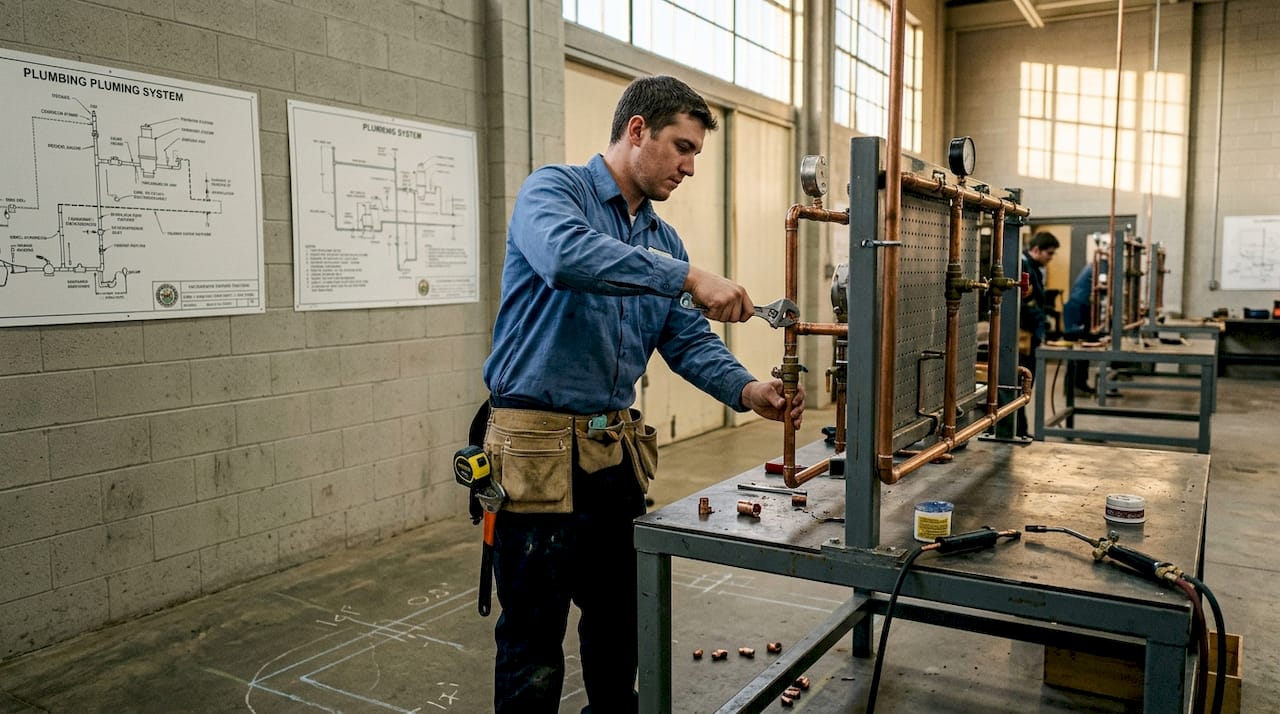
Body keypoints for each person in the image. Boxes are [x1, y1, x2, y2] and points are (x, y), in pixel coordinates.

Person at [480, 75, 806, 713]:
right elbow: (566, 258)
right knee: (532, 639)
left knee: (620, 622)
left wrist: (746, 390)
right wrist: (687, 275)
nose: (689, 167)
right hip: (534, 458)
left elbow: (686, 339)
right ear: (637, 132)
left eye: (696, 155)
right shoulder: (553, 192)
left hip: (612, 455)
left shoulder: (662, 238)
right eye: (682, 148)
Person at [1016, 231, 1059, 437]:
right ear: (1036, 250)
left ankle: (1020, 430)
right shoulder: (1024, 267)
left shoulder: (1034, 268)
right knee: (1020, 385)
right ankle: (1018, 431)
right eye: (1049, 253)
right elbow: (1023, 305)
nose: (1051, 258)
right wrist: (1040, 323)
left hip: (1030, 334)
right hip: (1022, 336)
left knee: (1024, 385)